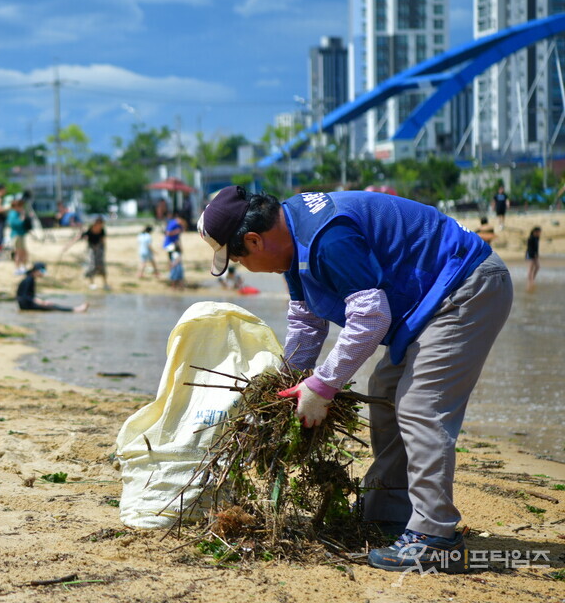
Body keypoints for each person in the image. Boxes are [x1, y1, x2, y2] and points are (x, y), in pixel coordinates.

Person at [198, 186, 513, 574]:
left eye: (238, 259)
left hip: (464, 288)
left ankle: (436, 538)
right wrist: (289, 384)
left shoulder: (327, 238)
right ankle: (391, 513)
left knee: (419, 407)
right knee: (385, 395)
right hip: (425, 307)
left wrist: (323, 385)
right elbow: (305, 321)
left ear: (253, 240)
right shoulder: (292, 236)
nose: (243, 268)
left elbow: (370, 317)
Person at [17, 262, 88, 312]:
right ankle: (75, 309)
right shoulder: (29, 280)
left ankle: (74, 309)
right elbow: (23, 296)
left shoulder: (30, 278)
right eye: (42, 271)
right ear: (36, 271)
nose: (43, 273)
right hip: (26, 306)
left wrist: (40, 301)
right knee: (53, 306)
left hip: (25, 305)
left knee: (50, 304)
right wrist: (38, 301)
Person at [64, 215, 109, 290]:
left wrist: (102, 250)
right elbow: (77, 238)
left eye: (101, 224)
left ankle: (105, 283)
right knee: (92, 265)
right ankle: (92, 283)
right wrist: (67, 246)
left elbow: (103, 241)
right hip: (91, 248)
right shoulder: (89, 230)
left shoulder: (102, 230)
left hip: (100, 248)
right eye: (98, 223)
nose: (100, 225)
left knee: (101, 265)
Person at [6, 195, 31, 274]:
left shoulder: (16, 213)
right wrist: (22, 219)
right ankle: (17, 268)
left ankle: (22, 267)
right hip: (17, 235)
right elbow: (14, 224)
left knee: (23, 253)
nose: (22, 207)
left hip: (21, 235)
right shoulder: (13, 214)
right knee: (19, 253)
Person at [526, 226, 541, 291]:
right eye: (539, 232)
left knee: (537, 267)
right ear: (535, 232)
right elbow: (529, 248)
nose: (539, 233)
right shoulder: (530, 238)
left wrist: (537, 254)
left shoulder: (537, 238)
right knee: (531, 268)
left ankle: (532, 278)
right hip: (530, 254)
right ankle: (530, 281)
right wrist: (533, 254)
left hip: (535, 254)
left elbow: (536, 248)